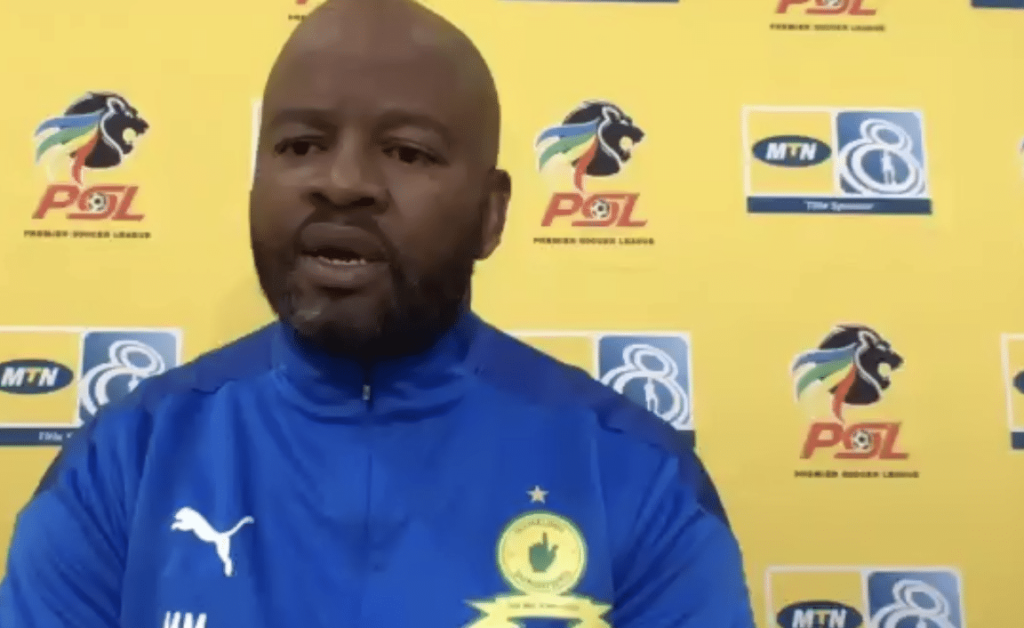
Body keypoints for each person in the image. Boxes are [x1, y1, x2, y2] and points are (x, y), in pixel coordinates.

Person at [0, 0, 756, 626]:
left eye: (407, 152)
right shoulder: (122, 468)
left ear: (491, 214)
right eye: (301, 144)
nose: (343, 182)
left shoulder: (633, 477)